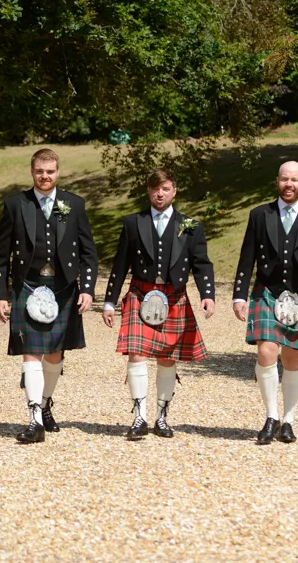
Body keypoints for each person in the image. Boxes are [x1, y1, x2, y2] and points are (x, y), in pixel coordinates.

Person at [0, 148, 99, 443]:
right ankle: (34, 418)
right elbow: (0, 255)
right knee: (32, 352)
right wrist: (0, 294)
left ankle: (46, 401)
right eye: (40, 171)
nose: (45, 176)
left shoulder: (74, 204)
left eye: (50, 171)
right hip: (28, 284)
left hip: (63, 287)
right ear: (32, 171)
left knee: (54, 354)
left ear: (58, 172)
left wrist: (87, 289)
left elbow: (89, 251)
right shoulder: (16, 204)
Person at [102, 168, 215, 440]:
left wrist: (207, 294)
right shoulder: (133, 222)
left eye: (165, 188)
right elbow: (120, 265)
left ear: (174, 191)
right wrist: (109, 301)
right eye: (155, 189)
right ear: (148, 192)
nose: (160, 194)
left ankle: (162, 417)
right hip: (141, 294)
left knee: (167, 358)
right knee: (136, 354)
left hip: (174, 297)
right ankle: (139, 416)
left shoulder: (191, 226)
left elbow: (202, 264)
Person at [232, 160, 298, 444]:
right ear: (277, 181)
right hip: (267, 291)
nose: (289, 184)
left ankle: (289, 421)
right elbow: (247, 257)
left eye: (294, 180)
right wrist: (240, 295)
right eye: (284, 179)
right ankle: (271, 417)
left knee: (293, 357)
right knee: (266, 352)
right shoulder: (260, 215)